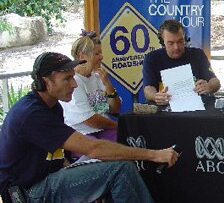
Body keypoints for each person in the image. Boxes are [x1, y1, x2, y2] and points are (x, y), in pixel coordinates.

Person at [0, 52, 179, 203]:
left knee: (111, 163)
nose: (74, 84)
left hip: (43, 180)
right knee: (120, 169)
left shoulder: (52, 106)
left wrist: (76, 169)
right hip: (27, 193)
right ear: (46, 82)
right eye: (67, 79)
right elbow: (94, 148)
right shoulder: (32, 114)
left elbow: (56, 151)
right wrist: (154, 155)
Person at [60, 30, 119, 145]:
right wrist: (117, 125)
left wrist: (108, 84)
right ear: (82, 56)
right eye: (97, 54)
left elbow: (115, 109)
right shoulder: (74, 82)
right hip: (82, 133)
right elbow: (90, 120)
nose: (101, 57)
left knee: (126, 143)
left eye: (100, 53)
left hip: (103, 130)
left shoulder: (98, 77)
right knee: (105, 151)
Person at [143, 19, 221, 105]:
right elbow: (148, 89)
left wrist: (209, 87)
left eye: (180, 41)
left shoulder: (197, 54)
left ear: (185, 39)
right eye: (171, 43)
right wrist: (155, 96)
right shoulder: (152, 58)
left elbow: (215, 82)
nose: (176, 47)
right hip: (165, 108)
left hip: (197, 107)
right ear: (162, 42)